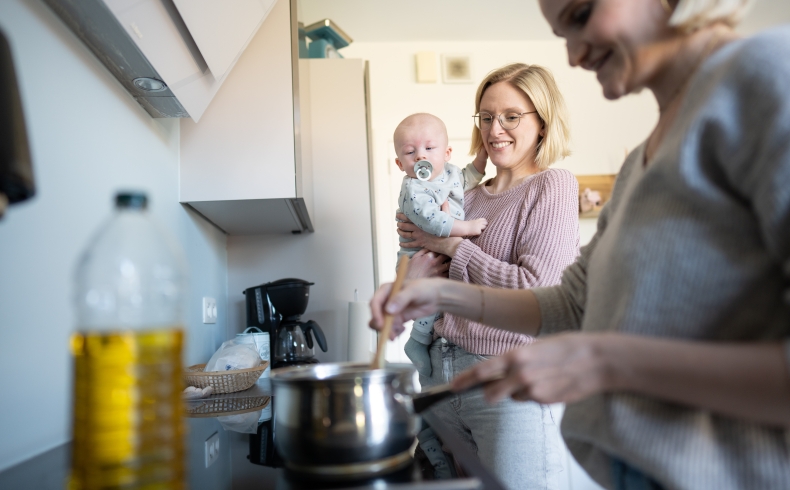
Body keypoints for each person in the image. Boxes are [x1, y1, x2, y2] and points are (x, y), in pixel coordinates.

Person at [370, 1, 790, 489]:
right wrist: (440, 295)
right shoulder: (644, 158)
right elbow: (572, 302)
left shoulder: (766, 77)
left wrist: (606, 361)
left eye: (582, 13)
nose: (573, 56)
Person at [393, 63, 580, 490]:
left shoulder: (551, 186)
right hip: (440, 379)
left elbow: (536, 292)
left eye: (511, 116)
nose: (496, 129)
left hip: (506, 385)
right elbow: (424, 278)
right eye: (487, 116)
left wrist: (451, 246)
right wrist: (411, 274)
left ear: (542, 121)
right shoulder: (465, 194)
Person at [392, 113, 488, 376]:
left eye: (429, 148)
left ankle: (422, 339)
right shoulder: (414, 189)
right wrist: (466, 228)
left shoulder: (449, 173)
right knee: (431, 299)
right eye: (410, 152)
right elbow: (433, 221)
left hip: (437, 252)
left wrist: (481, 160)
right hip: (418, 255)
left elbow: (466, 180)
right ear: (400, 164)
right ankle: (418, 341)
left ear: (446, 153)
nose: (421, 156)